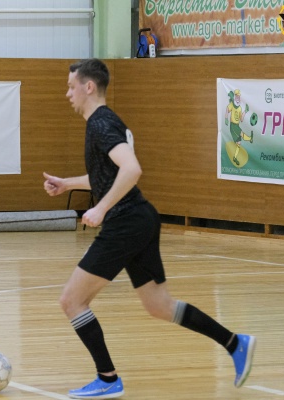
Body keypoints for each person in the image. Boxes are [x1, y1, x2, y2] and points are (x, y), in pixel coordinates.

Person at [43, 58, 256, 399]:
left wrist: (101, 207)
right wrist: (67, 184)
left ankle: (108, 379)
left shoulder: (100, 123)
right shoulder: (105, 121)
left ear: (88, 87)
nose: (67, 93)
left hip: (126, 222)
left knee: (72, 300)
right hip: (140, 219)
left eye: (71, 86)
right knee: (159, 306)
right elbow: (109, 176)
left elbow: (132, 169)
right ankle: (235, 343)